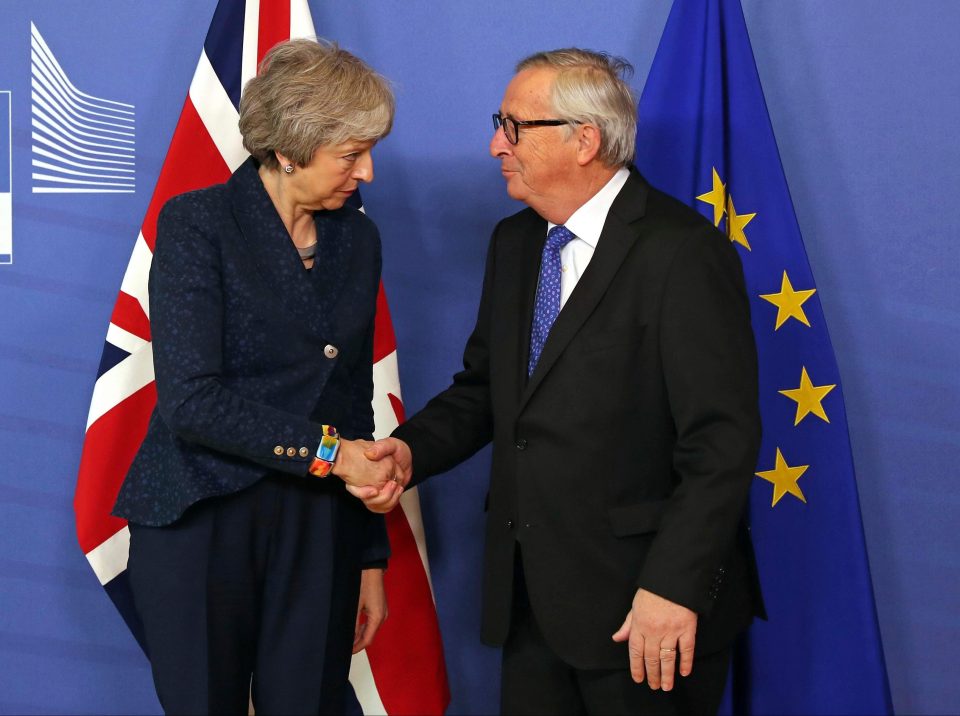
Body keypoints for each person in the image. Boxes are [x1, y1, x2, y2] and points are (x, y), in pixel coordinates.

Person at [359, 49, 765, 715]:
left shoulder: (682, 253)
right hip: (532, 608)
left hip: (645, 615)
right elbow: (485, 389)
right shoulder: (516, 243)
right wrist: (409, 452)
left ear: (585, 140)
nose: (496, 145)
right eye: (500, 124)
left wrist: (673, 589)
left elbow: (721, 444)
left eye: (514, 127)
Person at [113, 39, 401, 715]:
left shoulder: (358, 239)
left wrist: (368, 556)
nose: (368, 171)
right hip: (201, 514)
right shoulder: (197, 223)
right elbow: (191, 402)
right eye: (351, 153)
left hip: (319, 524)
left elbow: (351, 400)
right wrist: (329, 455)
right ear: (290, 149)